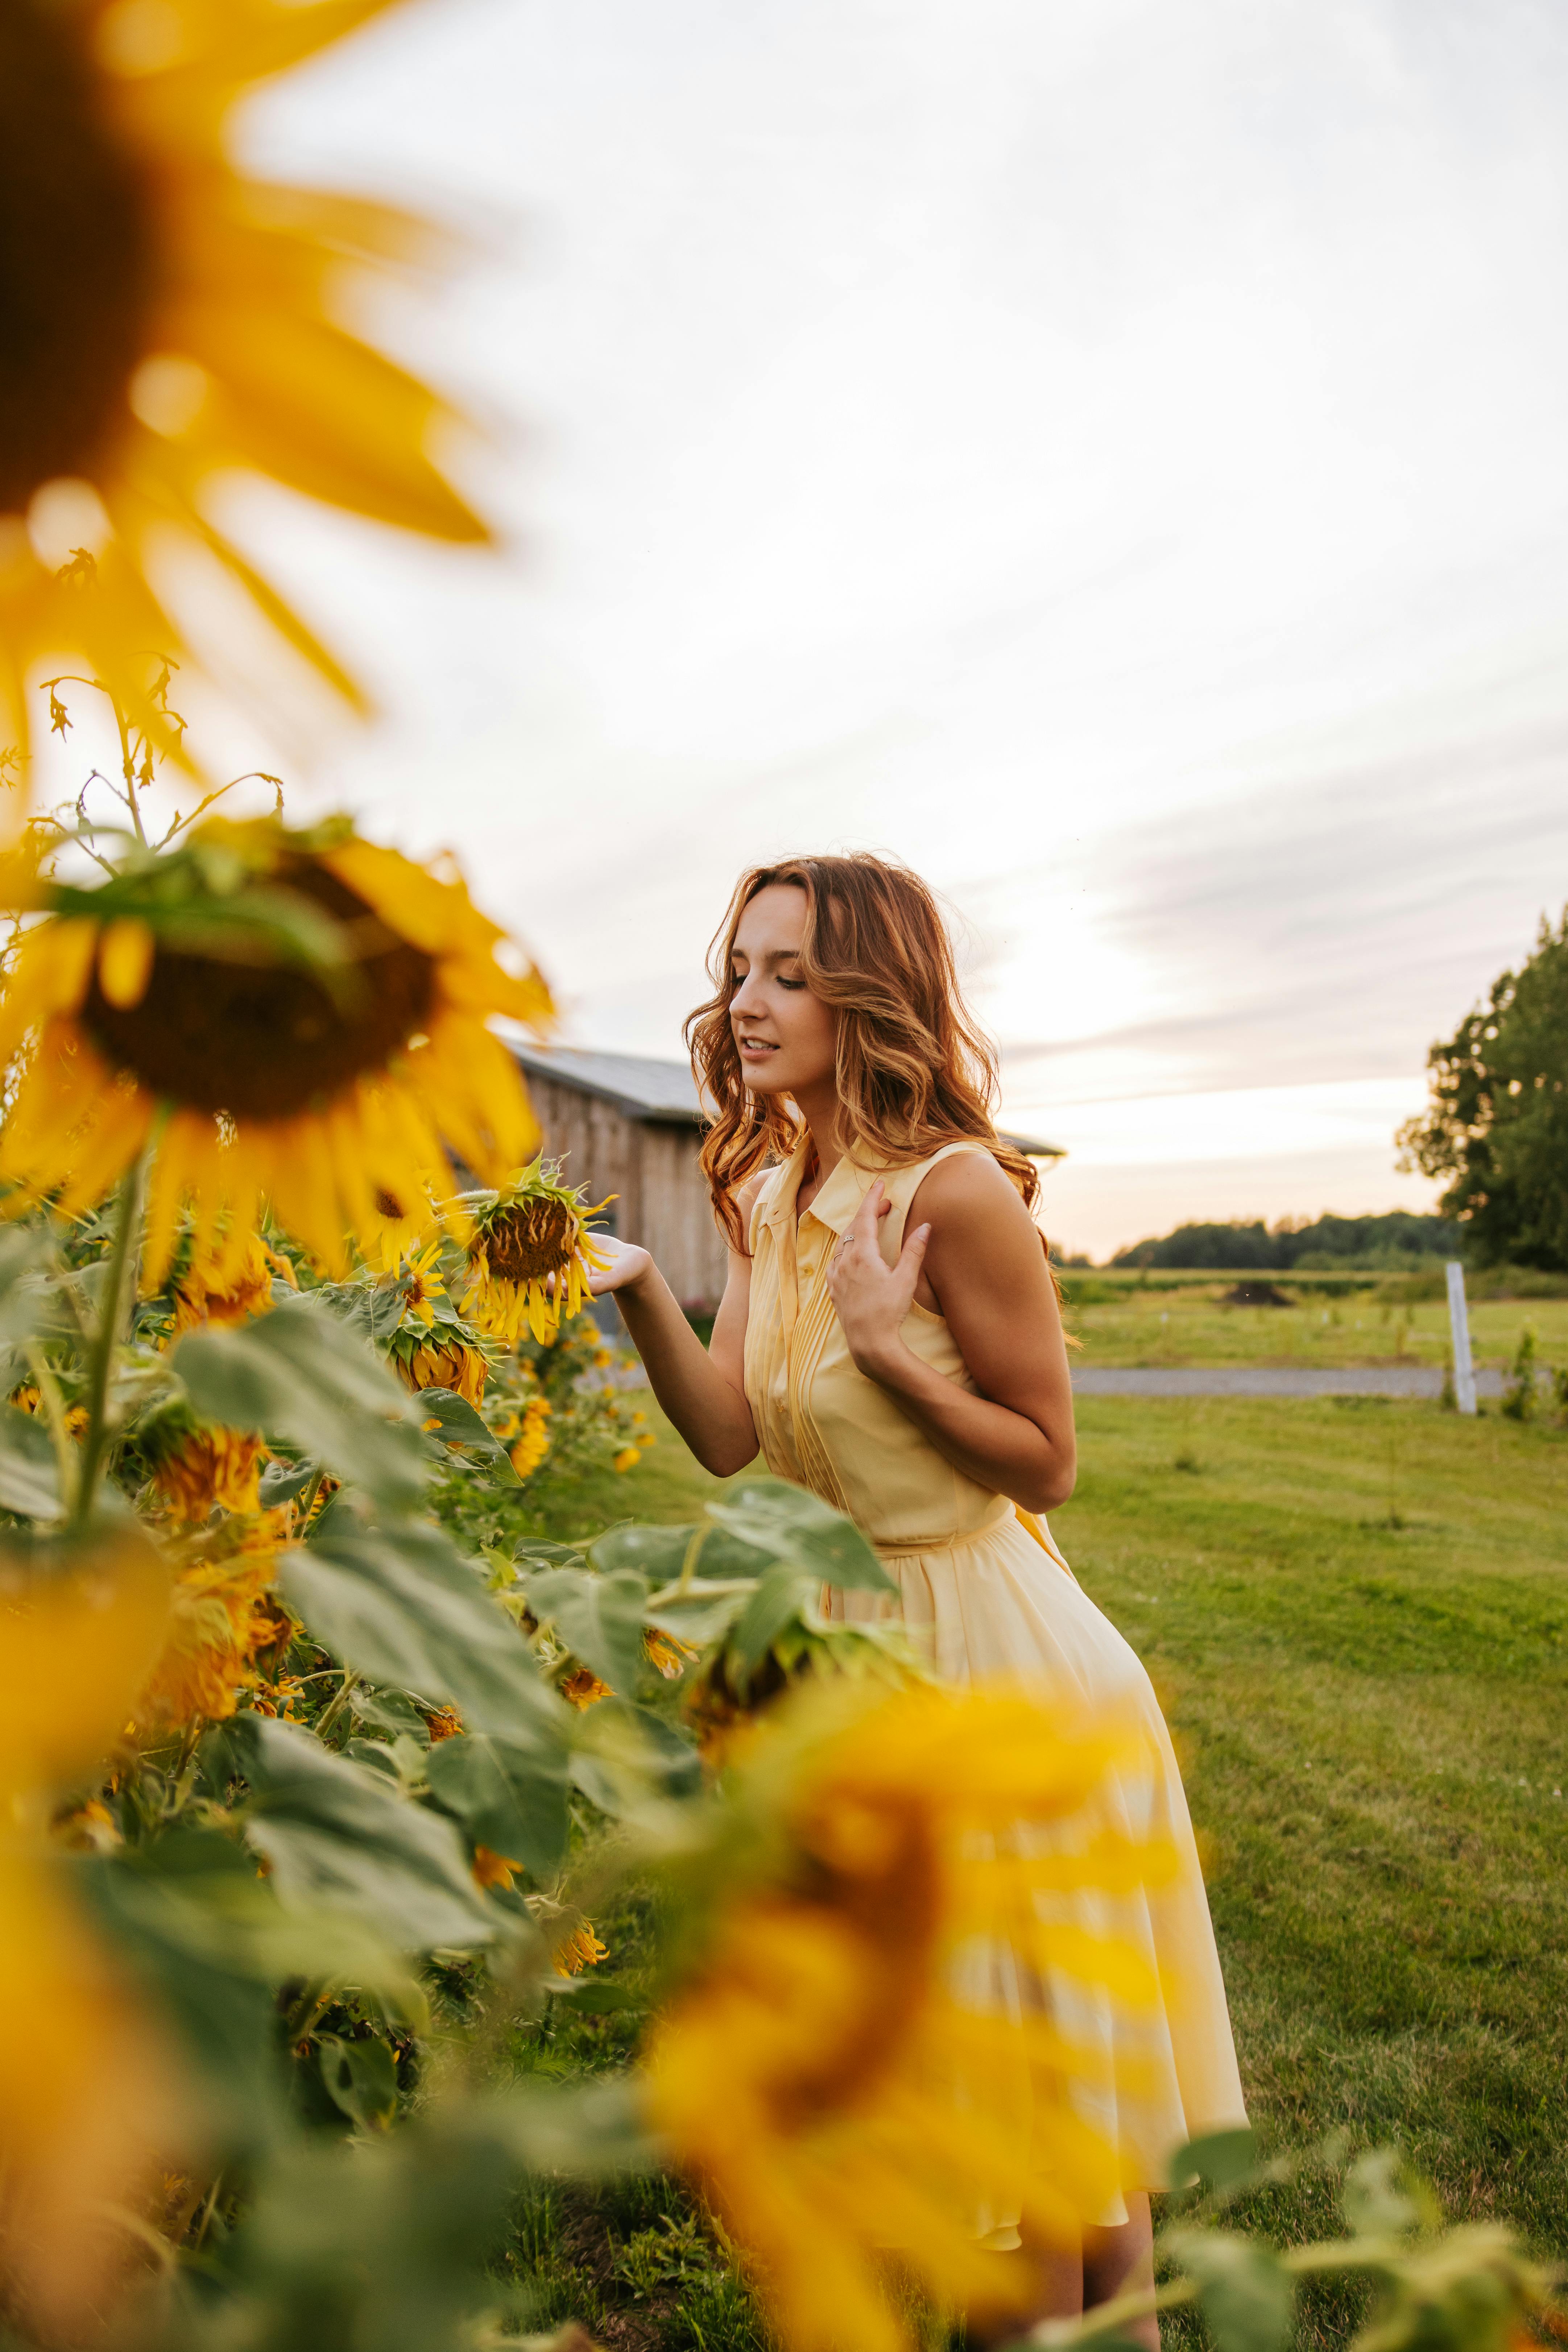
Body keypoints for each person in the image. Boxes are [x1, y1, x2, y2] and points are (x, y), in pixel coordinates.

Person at [586, 852, 1246, 2344]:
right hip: (862, 1671)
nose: (743, 1000)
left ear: (866, 995)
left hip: (1001, 1669)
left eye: (787, 974)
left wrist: (889, 1348)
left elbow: (1049, 1457)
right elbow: (728, 1435)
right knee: (1032, 2164)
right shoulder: (764, 1183)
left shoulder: (955, 1190)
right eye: (740, 966)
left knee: (1010, 2200)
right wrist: (637, 1289)